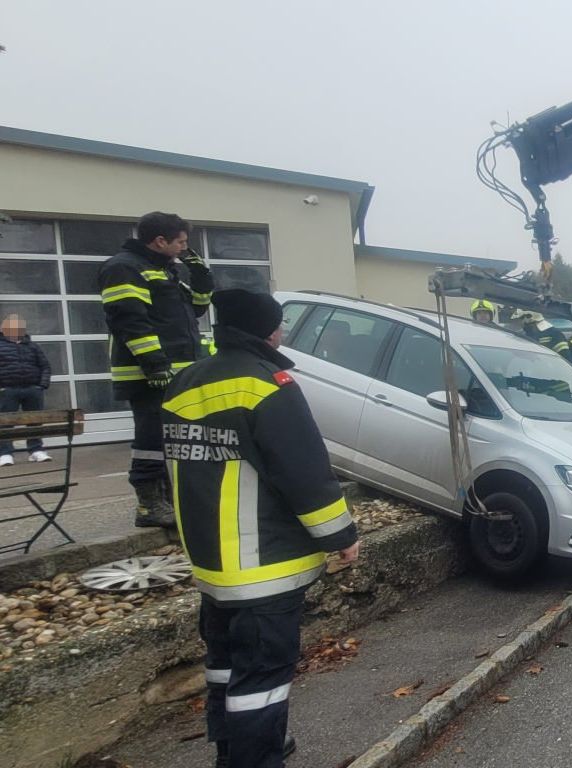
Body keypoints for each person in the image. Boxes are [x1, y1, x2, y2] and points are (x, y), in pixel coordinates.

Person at [161, 288, 360, 768]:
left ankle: (230, 750)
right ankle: (257, 759)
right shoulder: (267, 384)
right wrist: (341, 537)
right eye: (280, 325)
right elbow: (304, 473)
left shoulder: (182, 383)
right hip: (263, 565)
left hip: (212, 563)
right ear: (269, 331)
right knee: (263, 679)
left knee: (225, 667)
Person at [98, 211, 213, 527]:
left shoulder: (161, 270)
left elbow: (198, 307)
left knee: (170, 439)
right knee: (151, 439)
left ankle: (168, 501)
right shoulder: (124, 268)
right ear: (160, 240)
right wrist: (156, 365)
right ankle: (149, 505)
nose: (183, 249)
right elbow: (129, 320)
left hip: (175, 371)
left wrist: (200, 272)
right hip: (149, 374)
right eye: (181, 243)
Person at [0, 314, 52, 465]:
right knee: (6, 422)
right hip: (8, 390)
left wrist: (41, 386)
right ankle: (5, 453)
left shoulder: (33, 347)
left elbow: (45, 367)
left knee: (35, 421)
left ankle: (36, 450)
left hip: (32, 390)